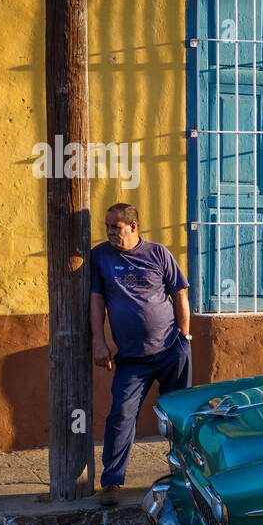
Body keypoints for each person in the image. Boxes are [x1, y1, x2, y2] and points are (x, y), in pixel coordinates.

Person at [91, 203, 192, 506]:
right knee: (121, 415)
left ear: (133, 227)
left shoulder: (158, 253)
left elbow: (180, 294)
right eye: (107, 226)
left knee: (179, 417)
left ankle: (184, 476)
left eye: (116, 227)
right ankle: (112, 481)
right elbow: (96, 302)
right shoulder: (101, 257)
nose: (110, 232)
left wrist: (184, 337)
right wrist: (99, 341)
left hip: (170, 350)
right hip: (131, 359)